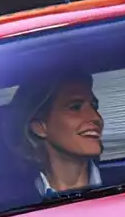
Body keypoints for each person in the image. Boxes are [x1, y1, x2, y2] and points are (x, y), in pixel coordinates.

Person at [12, 72, 107, 200]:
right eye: (75, 107)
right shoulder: (13, 202)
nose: (96, 118)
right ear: (40, 127)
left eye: (94, 106)